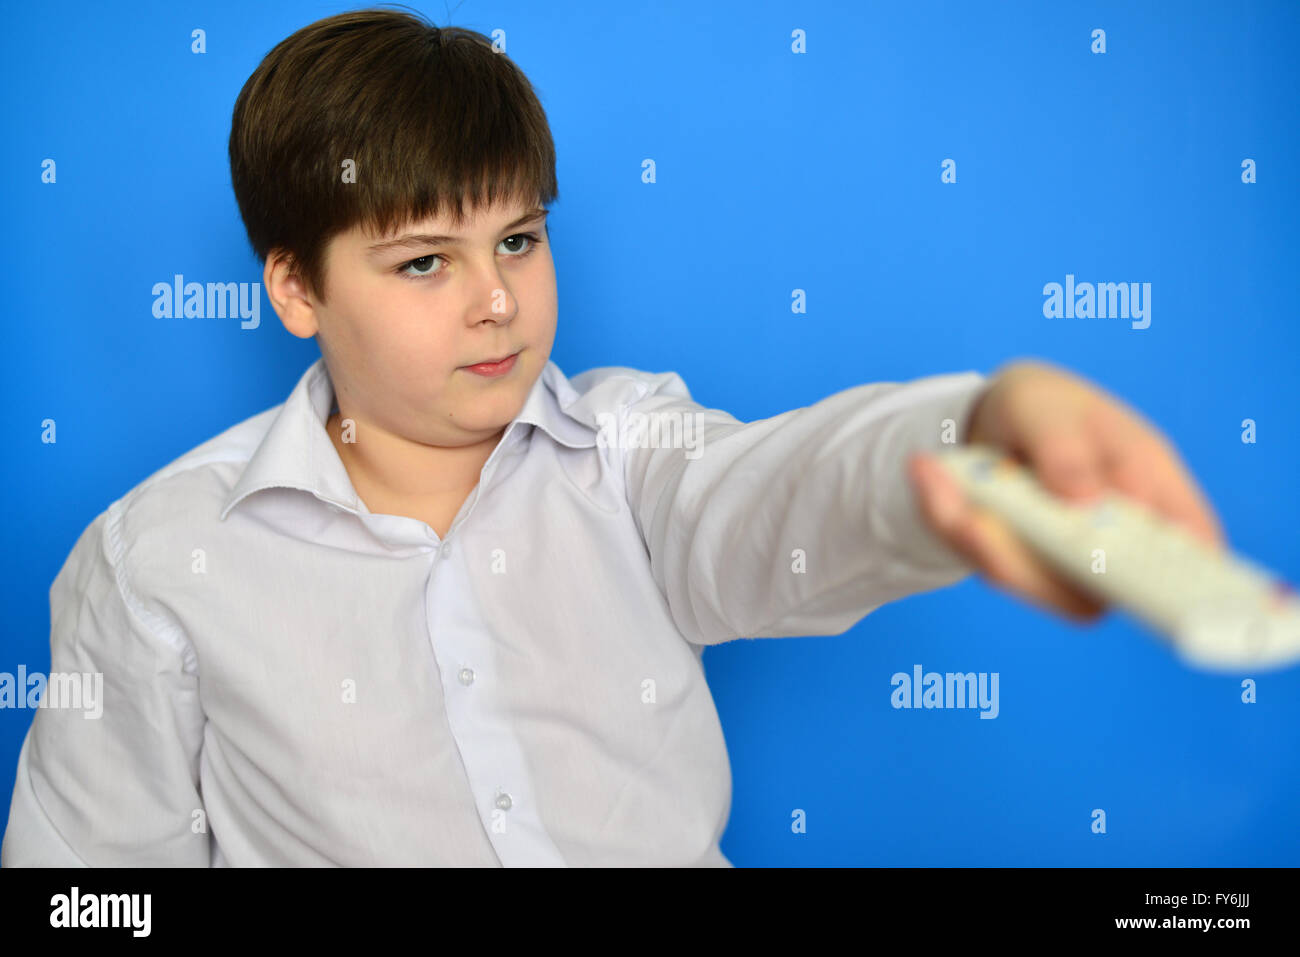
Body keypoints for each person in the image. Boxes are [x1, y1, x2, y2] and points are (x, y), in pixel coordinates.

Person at [0, 8, 1223, 867]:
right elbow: (92, 889)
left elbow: (784, 491)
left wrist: (978, 425)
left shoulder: (628, 450)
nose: (496, 300)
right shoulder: (155, 561)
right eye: (425, 260)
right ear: (295, 290)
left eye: (519, 241)